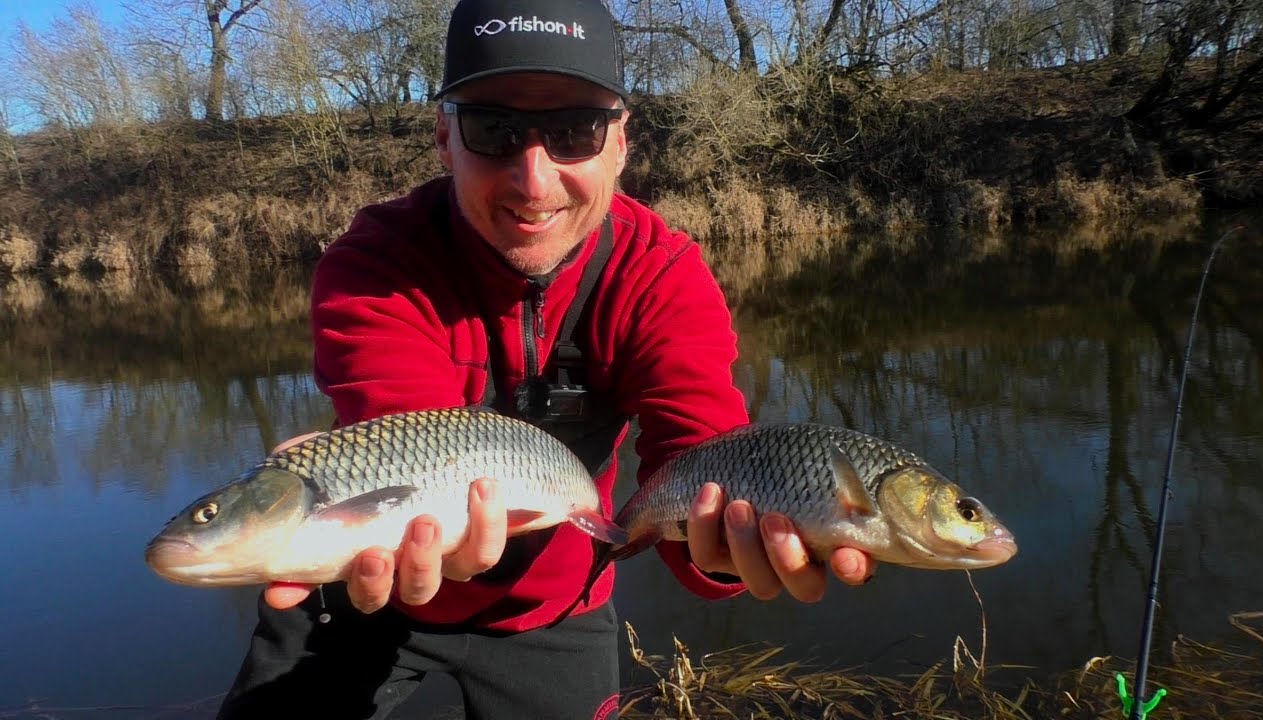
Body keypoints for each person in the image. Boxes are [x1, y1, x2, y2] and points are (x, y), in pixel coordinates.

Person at [216, 0, 875, 718]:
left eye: (574, 131)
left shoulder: (661, 275)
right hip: (364, 586)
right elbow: (407, 449)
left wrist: (724, 545)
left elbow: (702, 456)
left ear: (619, 142)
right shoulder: (375, 265)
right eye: (493, 129)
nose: (534, 182)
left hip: (557, 609)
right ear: (444, 136)